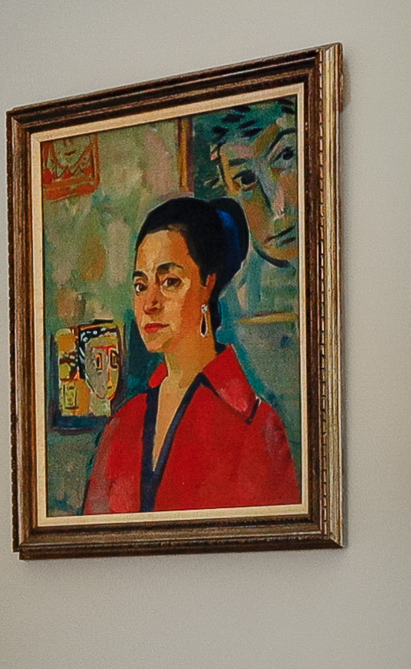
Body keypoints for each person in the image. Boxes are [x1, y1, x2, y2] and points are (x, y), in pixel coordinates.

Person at [73, 191, 302, 516]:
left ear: (208, 284)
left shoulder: (255, 424)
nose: (150, 303)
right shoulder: (124, 423)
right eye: (140, 285)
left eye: (169, 281)